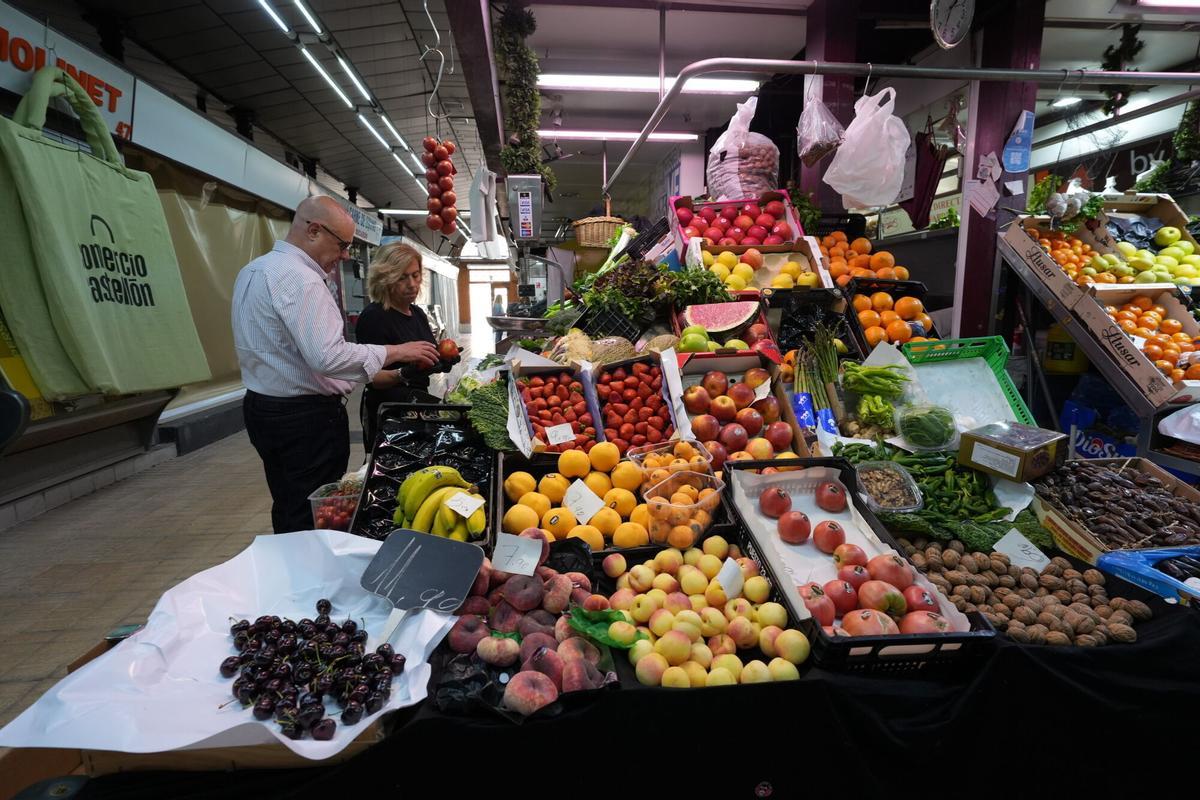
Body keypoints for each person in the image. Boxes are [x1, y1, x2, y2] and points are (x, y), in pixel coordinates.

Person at [232, 196, 439, 533]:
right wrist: (397, 352)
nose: (345, 254)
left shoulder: (254, 270)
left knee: (289, 499)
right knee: (311, 508)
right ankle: (311, 574)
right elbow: (328, 357)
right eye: (342, 244)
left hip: (264, 408)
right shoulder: (301, 280)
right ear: (314, 230)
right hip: (303, 418)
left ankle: (294, 564)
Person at [355, 243, 441, 450]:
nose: (412, 284)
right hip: (390, 415)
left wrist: (440, 361)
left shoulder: (418, 314)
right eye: (402, 277)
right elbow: (372, 378)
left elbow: (427, 353)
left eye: (415, 275)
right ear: (385, 279)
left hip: (417, 406)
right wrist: (403, 374)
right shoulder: (374, 317)